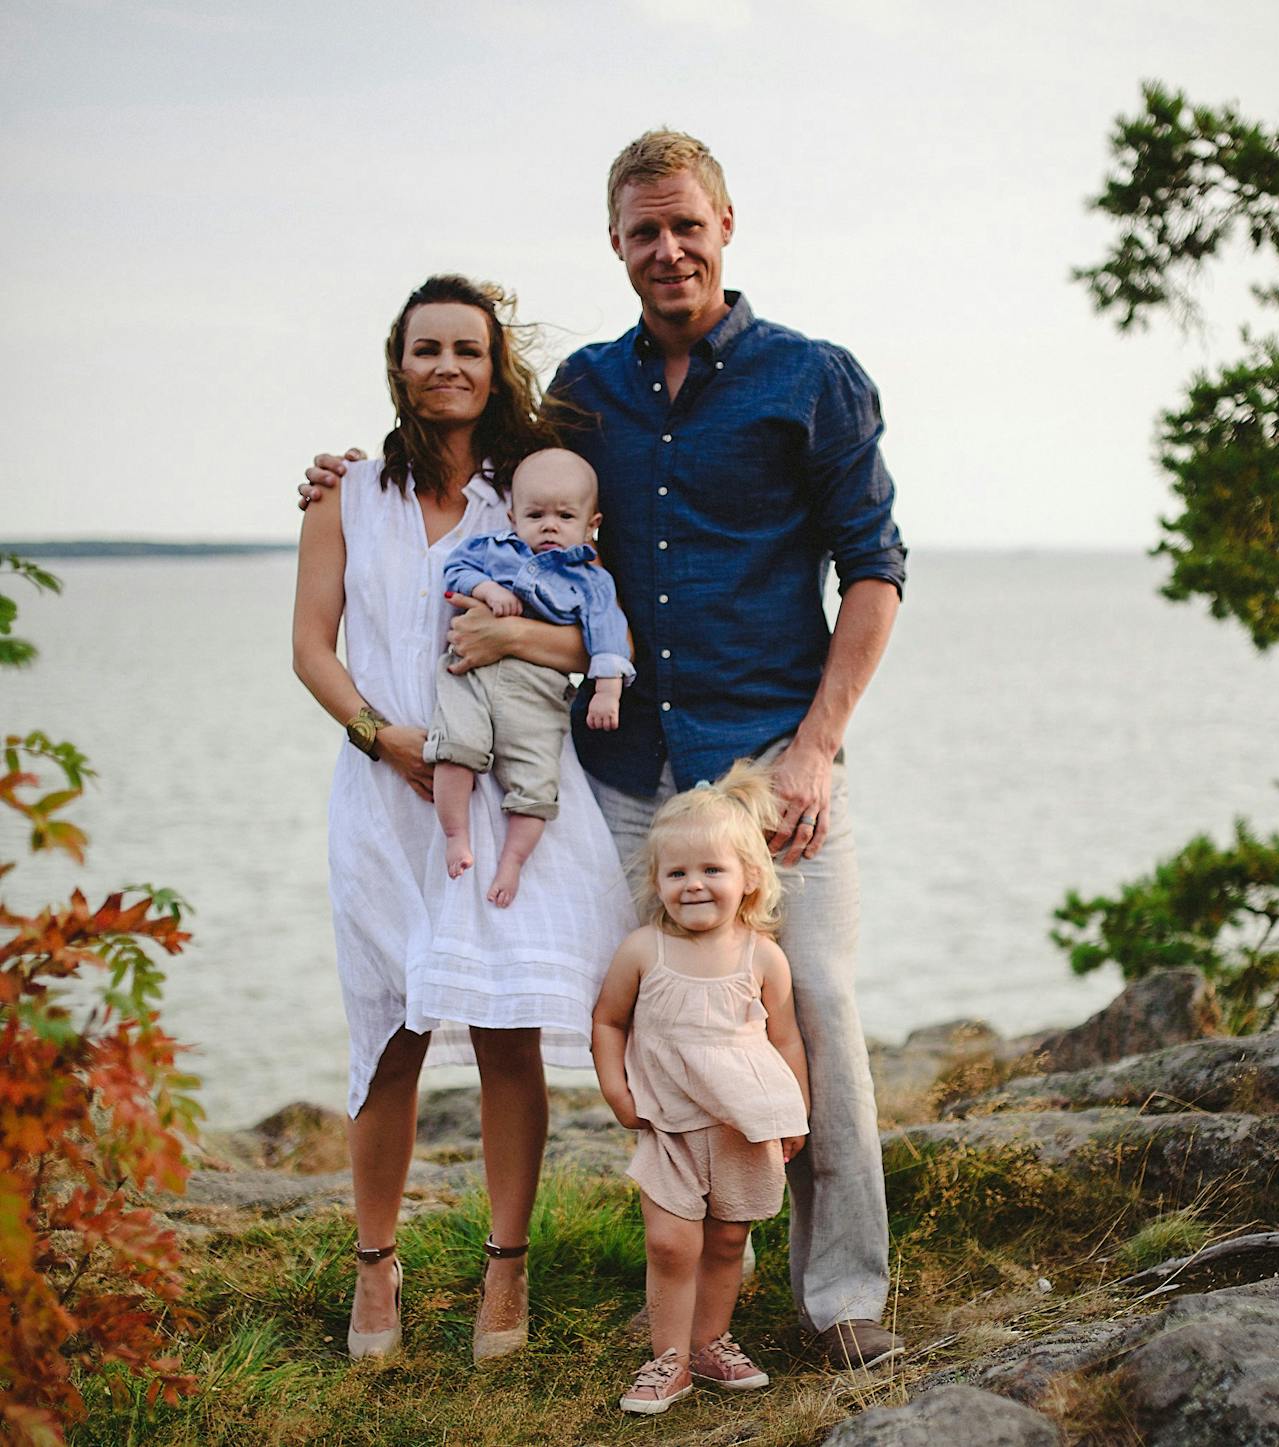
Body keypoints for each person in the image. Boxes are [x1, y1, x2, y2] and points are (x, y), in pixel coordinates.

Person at [299, 129, 906, 1370]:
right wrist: (343, 472)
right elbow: (498, 496)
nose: (667, 248)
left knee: (822, 1003)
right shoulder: (583, 392)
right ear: (617, 244)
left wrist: (818, 748)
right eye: (643, 230)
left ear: (727, 225)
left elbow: (877, 569)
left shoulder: (813, 377)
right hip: (622, 772)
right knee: (658, 1017)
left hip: (766, 761)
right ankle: (686, 1293)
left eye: (686, 224)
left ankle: (843, 1295)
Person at [292, 274, 632, 1364]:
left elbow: (593, 639)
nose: (448, 366)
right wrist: (381, 737)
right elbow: (310, 647)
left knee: (505, 1033)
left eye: (469, 350)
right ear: (398, 360)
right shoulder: (345, 496)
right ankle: (376, 1271)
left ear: (496, 366)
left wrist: (509, 645)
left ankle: (506, 1271)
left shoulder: (529, 491)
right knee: (387, 1033)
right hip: (386, 797)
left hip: (507, 790)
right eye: (427, 347)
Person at [592, 762, 809, 1414]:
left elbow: (786, 1038)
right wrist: (614, 1088)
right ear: (656, 881)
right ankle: (669, 1361)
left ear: (749, 879)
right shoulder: (642, 950)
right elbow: (607, 1020)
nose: (693, 885)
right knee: (670, 1240)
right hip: (668, 1124)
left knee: (725, 1240)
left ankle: (711, 1340)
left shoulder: (762, 956)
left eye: (711, 870)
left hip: (742, 1126)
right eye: (677, 872)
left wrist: (792, 1111)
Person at [428, 447, 633, 903]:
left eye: (565, 515)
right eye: (535, 514)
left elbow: (609, 636)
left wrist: (607, 692)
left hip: (539, 691)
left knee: (537, 783)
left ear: (591, 523)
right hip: (471, 675)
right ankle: (456, 836)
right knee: (453, 748)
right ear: (512, 515)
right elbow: (455, 569)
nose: (549, 525)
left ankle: (512, 863)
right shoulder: (492, 551)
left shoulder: (592, 580)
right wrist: (484, 587)